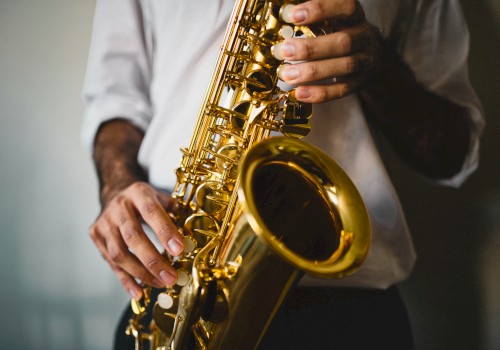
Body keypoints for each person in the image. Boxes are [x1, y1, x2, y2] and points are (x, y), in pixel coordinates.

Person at [82, 0, 484, 348]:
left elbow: (452, 152)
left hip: (352, 307)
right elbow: (116, 105)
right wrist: (118, 186)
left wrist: (378, 67)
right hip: (177, 282)